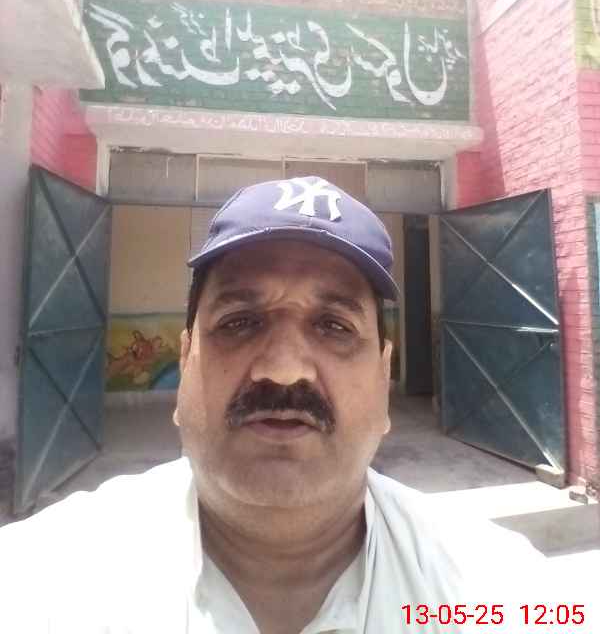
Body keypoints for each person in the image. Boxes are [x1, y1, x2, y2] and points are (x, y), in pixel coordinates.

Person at [0, 176, 586, 633]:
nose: (283, 369)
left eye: (334, 326)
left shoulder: (498, 593)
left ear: (383, 377)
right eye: (240, 321)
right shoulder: (41, 584)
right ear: (185, 362)